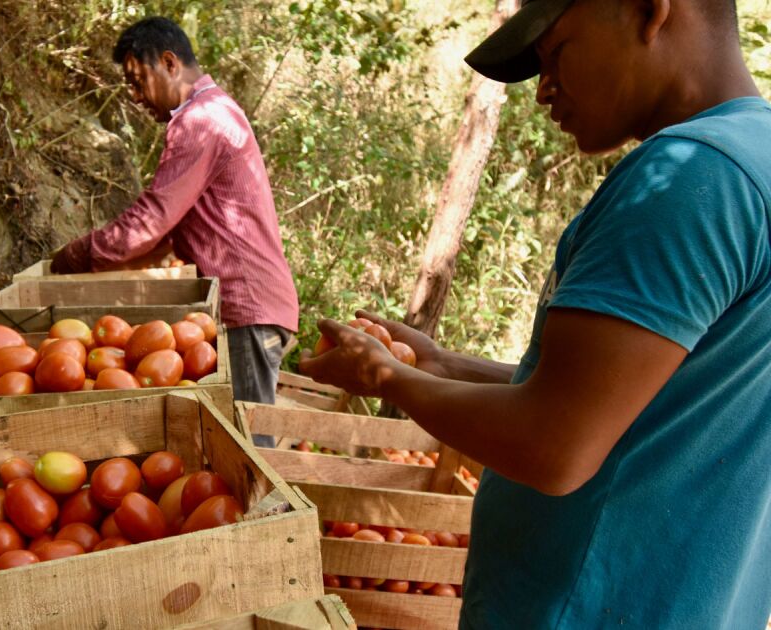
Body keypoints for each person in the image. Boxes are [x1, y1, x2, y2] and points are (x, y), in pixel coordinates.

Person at [299, 0, 771, 627]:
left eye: (556, 53)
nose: (544, 90)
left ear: (651, 11)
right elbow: (624, 402)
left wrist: (386, 377)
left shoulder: (687, 176)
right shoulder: (754, 159)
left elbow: (554, 443)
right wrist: (440, 364)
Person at [51, 17, 299, 441]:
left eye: (138, 81)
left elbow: (150, 221)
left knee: (251, 452)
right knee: (237, 444)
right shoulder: (216, 111)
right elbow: (166, 237)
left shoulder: (201, 120)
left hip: (248, 309)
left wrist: (77, 256)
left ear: (169, 63)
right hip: (252, 308)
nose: (134, 96)